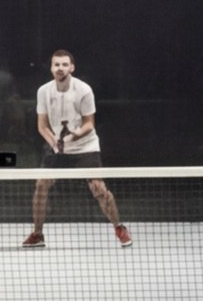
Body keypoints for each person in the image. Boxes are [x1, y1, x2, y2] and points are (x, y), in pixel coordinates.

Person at [21, 48, 129, 248]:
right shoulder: (43, 91)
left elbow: (89, 124)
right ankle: (37, 234)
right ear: (51, 68)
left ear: (72, 67)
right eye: (56, 65)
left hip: (85, 146)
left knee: (99, 189)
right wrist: (53, 142)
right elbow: (42, 125)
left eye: (64, 64)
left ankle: (119, 227)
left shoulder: (84, 90)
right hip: (57, 147)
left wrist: (71, 137)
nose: (60, 68)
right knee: (41, 186)